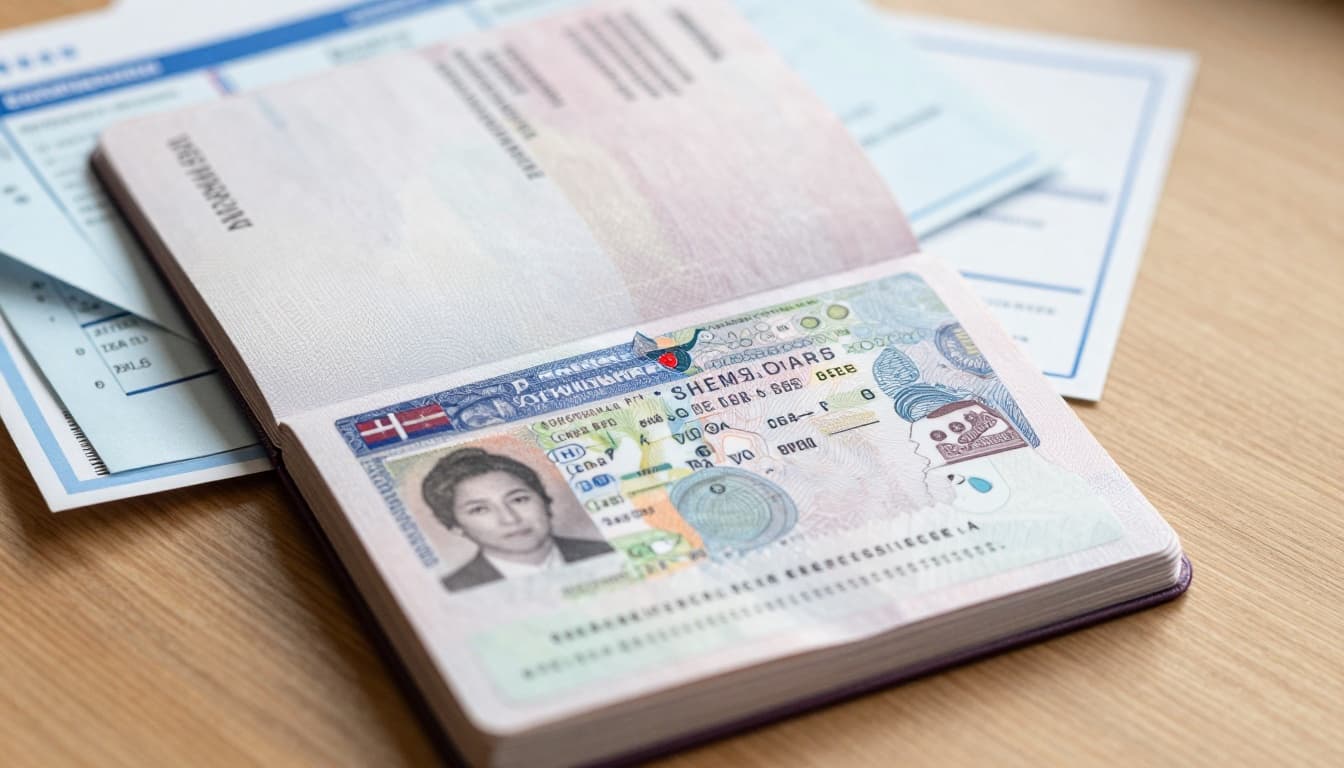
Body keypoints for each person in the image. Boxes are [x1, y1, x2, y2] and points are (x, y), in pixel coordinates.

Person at [423, 447, 613, 592]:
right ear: (455, 526)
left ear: (544, 501)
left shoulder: (607, 552)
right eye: (480, 509)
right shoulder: (454, 588)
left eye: (519, 499)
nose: (510, 518)